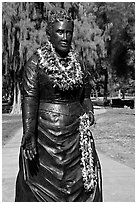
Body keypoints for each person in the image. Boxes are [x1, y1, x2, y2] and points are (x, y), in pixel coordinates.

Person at [15, 7, 103, 202]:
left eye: (69, 32)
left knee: (86, 183)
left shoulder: (78, 62)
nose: (65, 37)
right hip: (45, 136)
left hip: (76, 138)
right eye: (60, 32)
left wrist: (89, 113)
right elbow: (29, 97)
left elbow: (85, 95)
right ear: (49, 34)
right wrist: (28, 132)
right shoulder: (36, 62)